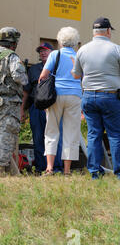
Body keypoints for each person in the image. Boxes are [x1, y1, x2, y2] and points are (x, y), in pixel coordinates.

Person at [72, 17, 120, 180]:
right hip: (109, 96)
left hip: (88, 95)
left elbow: (76, 75)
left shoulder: (82, 50)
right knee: (115, 135)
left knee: (94, 134)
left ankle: (94, 172)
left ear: (94, 32)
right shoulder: (116, 49)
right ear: (108, 31)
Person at [38, 27, 82, 176]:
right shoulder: (78, 56)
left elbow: (43, 76)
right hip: (75, 96)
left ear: (60, 40)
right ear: (75, 42)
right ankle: (67, 170)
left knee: (51, 130)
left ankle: (49, 168)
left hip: (56, 95)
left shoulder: (55, 54)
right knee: (71, 132)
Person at [22, 42, 63, 174]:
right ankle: (40, 168)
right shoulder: (33, 69)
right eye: (40, 51)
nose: (43, 53)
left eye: (45, 50)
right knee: (38, 138)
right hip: (37, 107)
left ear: (52, 52)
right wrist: (22, 109)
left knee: (56, 137)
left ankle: (56, 168)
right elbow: (26, 91)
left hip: (54, 106)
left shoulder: (59, 67)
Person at [0, 27, 28, 175]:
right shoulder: (11, 57)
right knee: (6, 136)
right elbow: (19, 78)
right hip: (8, 103)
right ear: (13, 43)